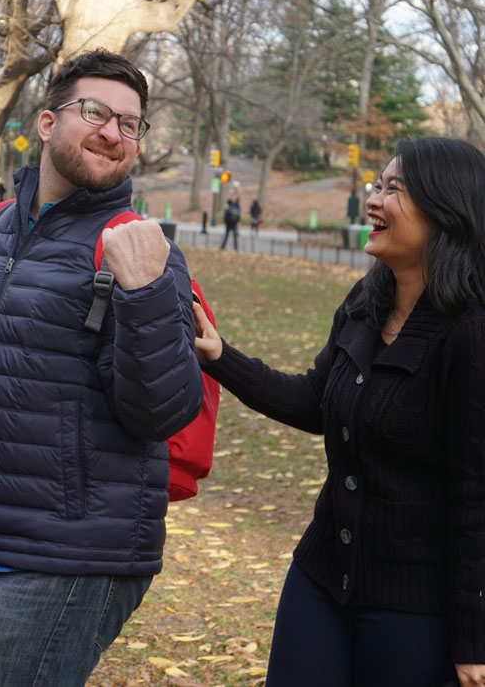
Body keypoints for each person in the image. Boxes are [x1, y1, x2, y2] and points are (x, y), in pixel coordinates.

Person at [0, 49, 203, 687]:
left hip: (68, 558)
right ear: (48, 122)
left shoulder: (138, 248)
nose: (114, 133)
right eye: (96, 112)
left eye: (130, 123)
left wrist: (140, 293)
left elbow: (162, 412)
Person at [194, 136, 485, 687]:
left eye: (393, 189)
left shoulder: (470, 332)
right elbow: (315, 400)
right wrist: (219, 356)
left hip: (415, 609)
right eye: (377, 184)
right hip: (321, 580)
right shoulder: (365, 301)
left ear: (447, 207)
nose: (373, 199)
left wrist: (474, 637)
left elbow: (476, 495)